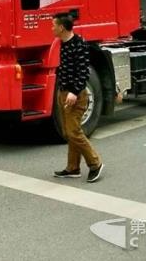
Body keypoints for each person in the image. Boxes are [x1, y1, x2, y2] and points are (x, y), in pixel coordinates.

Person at [51, 14, 104, 183]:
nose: (51, 28)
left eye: (54, 25)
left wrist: (74, 92)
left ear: (61, 28)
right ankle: (73, 167)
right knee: (68, 131)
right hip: (63, 93)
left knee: (73, 131)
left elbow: (83, 72)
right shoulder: (62, 43)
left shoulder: (78, 44)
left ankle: (95, 163)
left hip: (76, 95)